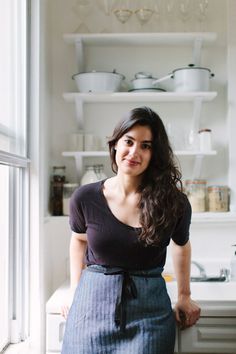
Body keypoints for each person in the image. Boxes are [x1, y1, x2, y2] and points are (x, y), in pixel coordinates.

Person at [61, 106, 201, 354]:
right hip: (89, 309)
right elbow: (79, 240)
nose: (135, 152)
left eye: (146, 145)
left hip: (149, 316)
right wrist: (74, 289)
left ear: (154, 154)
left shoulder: (175, 203)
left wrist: (185, 295)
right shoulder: (85, 197)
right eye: (129, 141)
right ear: (115, 144)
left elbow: (182, 245)